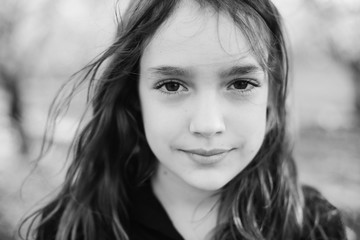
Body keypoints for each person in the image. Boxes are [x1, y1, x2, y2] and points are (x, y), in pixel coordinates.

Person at [21, 0, 347, 239]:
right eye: (172, 85)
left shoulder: (315, 226)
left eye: (241, 83)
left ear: (271, 95)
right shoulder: (73, 229)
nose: (207, 125)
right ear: (134, 96)